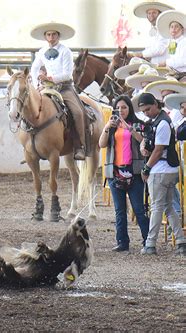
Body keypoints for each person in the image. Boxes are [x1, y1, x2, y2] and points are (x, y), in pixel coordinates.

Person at [99, 95, 149, 252]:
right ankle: (122, 241)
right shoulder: (112, 126)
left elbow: (143, 140)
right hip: (115, 171)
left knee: (139, 208)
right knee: (119, 210)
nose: (121, 111)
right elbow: (101, 144)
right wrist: (107, 126)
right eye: (118, 108)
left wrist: (128, 127)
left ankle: (148, 239)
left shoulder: (138, 124)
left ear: (130, 108)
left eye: (124, 107)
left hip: (134, 171)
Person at [137, 92, 185, 255]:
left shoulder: (162, 123)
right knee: (168, 207)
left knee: (157, 207)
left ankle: (150, 243)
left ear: (156, 105)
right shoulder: (161, 120)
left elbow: (158, 150)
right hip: (167, 169)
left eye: (148, 109)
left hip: (160, 171)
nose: (146, 113)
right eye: (143, 111)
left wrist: (146, 168)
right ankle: (180, 240)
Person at [29, 22, 86, 160]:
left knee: (77, 113)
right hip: (47, 88)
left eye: (54, 34)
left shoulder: (65, 51)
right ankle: (31, 146)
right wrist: (37, 82)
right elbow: (34, 68)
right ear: (45, 37)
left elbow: (67, 74)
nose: (51, 37)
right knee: (32, 108)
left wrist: (50, 78)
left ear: (58, 36)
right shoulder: (41, 52)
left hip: (64, 87)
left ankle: (80, 146)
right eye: (49, 34)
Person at [156, 10, 186, 76]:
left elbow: (184, 61)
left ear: (182, 29)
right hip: (173, 72)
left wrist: (166, 62)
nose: (173, 29)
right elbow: (173, 58)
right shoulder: (172, 42)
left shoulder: (184, 42)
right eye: (171, 27)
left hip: (183, 74)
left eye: (176, 26)